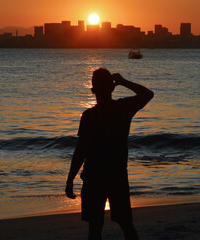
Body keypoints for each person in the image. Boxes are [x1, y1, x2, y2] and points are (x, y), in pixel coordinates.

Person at [65, 68, 154, 240]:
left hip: (93, 177)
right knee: (126, 224)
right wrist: (123, 81)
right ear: (112, 88)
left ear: (93, 90)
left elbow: (80, 151)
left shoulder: (89, 116)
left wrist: (70, 180)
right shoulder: (123, 108)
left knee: (95, 228)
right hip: (117, 176)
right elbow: (147, 94)